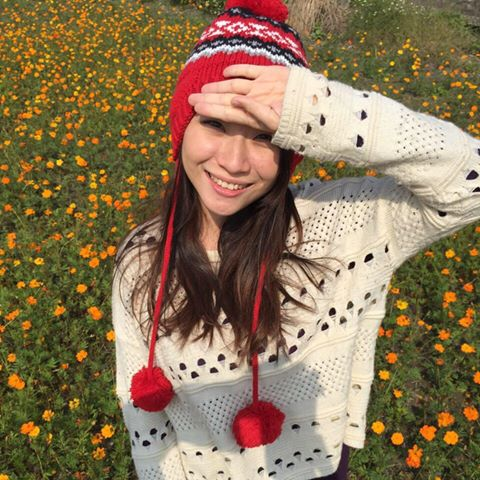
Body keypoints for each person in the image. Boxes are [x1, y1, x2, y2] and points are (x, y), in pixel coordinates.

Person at [111, 0, 480, 478]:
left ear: (293, 142)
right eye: (215, 124)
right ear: (182, 127)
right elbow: (146, 424)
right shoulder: (141, 260)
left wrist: (318, 106)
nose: (234, 162)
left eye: (264, 135)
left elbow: (470, 182)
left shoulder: (346, 227)